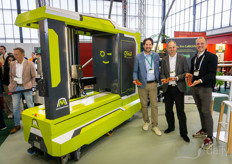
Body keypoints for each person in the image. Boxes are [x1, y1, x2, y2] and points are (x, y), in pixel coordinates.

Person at [187, 37, 218, 149]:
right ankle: (204, 130)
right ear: (196, 45)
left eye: (202, 43)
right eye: (198, 44)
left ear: (206, 44)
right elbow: (192, 71)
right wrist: (189, 75)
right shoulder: (194, 58)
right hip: (195, 88)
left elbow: (212, 74)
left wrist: (199, 80)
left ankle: (210, 137)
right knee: (200, 110)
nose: (199, 45)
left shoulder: (212, 57)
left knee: (206, 111)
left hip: (205, 88)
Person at [160, 40, 190, 142]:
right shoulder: (164, 60)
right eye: (170, 47)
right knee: (168, 110)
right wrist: (164, 78)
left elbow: (186, 72)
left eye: (173, 47)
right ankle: (171, 127)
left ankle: (184, 133)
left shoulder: (182, 58)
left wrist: (177, 78)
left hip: (178, 88)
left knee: (180, 111)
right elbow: (162, 73)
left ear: (176, 47)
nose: (172, 49)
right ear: (167, 48)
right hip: (167, 88)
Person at [133, 38, 161, 136]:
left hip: (153, 83)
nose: (148, 46)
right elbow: (135, 71)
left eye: (150, 44)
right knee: (144, 104)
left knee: (154, 105)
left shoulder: (156, 56)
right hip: (142, 84)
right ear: (143, 46)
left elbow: (158, 69)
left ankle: (155, 125)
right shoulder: (138, 57)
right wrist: (135, 79)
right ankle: (146, 122)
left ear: (152, 45)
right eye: (146, 44)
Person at [8, 47, 36, 134]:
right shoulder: (12, 64)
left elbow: (34, 76)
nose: (14, 56)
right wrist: (11, 85)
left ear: (22, 54)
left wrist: (33, 87)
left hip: (27, 87)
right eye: (14, 54)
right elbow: (11, 76)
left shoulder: (30, 63)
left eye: (16, 54)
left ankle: (33, 124)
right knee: (15, 107)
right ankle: (17, 125)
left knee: (30, 105)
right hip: (15, 87)